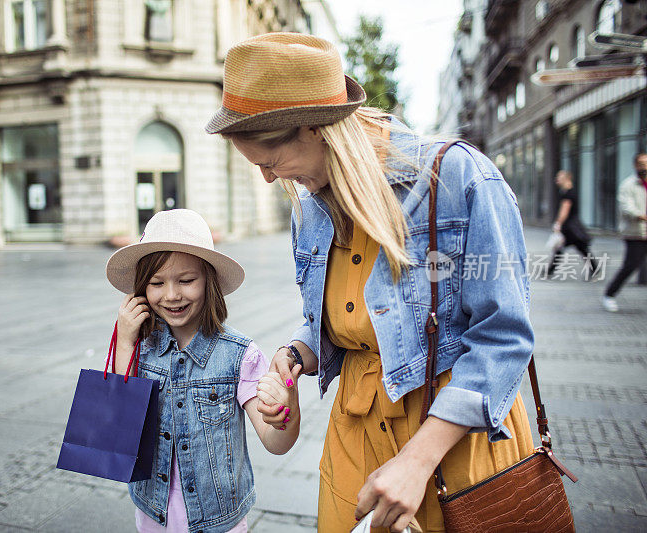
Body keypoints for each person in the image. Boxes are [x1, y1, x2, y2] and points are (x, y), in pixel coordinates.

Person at [207, 33, 535, 533]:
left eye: (269, 164)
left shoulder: (457, 178)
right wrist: (298, 352)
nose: (272, 180)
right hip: (355, 441)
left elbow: (503, 337)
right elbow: (352, 317)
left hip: (456, 445)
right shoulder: (312, 206)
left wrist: (416, 461)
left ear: (316, 129)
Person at [105, 208, 301, 533]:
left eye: (186, 280)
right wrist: (125, 342)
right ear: (141, 289)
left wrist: (288, 412)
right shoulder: (142, 346)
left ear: (209, 280)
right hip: (152, 511)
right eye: (156, 283)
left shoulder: (239, 355)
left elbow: (274, 442)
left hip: (219, 520)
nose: (171, 295)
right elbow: (119, 424)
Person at [602, 153, 647, 312]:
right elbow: (626, 207)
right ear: (635, 165)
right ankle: (609, 295)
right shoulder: (629, 185)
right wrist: (641, 216)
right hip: (636, 233)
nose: (645, 166)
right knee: (630, 266)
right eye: (642, 163)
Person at [547, 170, 599, 278]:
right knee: (576, 249)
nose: (557, 180)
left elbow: (564, 210)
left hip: (570, 228)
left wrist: (558, 223)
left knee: (576, 249)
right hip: (571, 227)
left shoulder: (568, 193)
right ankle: (550, 270)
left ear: (567, 178)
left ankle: (550, 271)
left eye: (559, 177)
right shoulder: (568, 192)